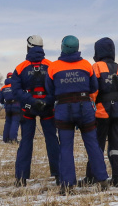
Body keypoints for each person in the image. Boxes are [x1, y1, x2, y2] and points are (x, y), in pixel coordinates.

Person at [46, 35, 109, 193]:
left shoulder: (53, 67)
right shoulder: (87, 65)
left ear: (63, 47)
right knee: (93, 145)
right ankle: (102, 180)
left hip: (63, 109)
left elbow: (50, 90)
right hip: (85, 108)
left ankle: (67, 185)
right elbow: (94, 87)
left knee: (66, 147)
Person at [81, 37, 118, 187]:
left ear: (97, 51)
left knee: (96, 146)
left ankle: (92, 177)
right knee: (117, 146)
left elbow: (92, 92)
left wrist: (91, 108)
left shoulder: (95, 67)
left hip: (100, 113)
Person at [10, 35, 61, 186]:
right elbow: (57, 88)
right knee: (52, 139)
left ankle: (21, 178)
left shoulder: (20, 68)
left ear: (28, 47)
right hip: (48, 108)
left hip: (28, 108)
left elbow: (15, 91)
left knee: (26, 141)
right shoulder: (51, 66)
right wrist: (46, 102)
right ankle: (59, 175)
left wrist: (32, 101)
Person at [0, 72, 21, 143]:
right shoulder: (16, 85)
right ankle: (13, 139)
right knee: (15, 121)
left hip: (7, 106)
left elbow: (0, 99)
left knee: (8, 122)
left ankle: (5, 139)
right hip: (16, 105)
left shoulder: (3, 88)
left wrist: (4, 103)